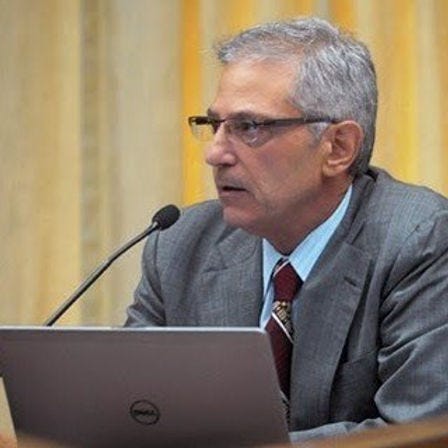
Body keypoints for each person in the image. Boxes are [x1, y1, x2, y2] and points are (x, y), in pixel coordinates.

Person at [125, 17, 448, 442]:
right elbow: (135, 408)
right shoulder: (178, 244)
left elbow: (417, 433)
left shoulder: (419, 241)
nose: (215, 153)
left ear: (338, 147)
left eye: (249, 127)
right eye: (214, 125)